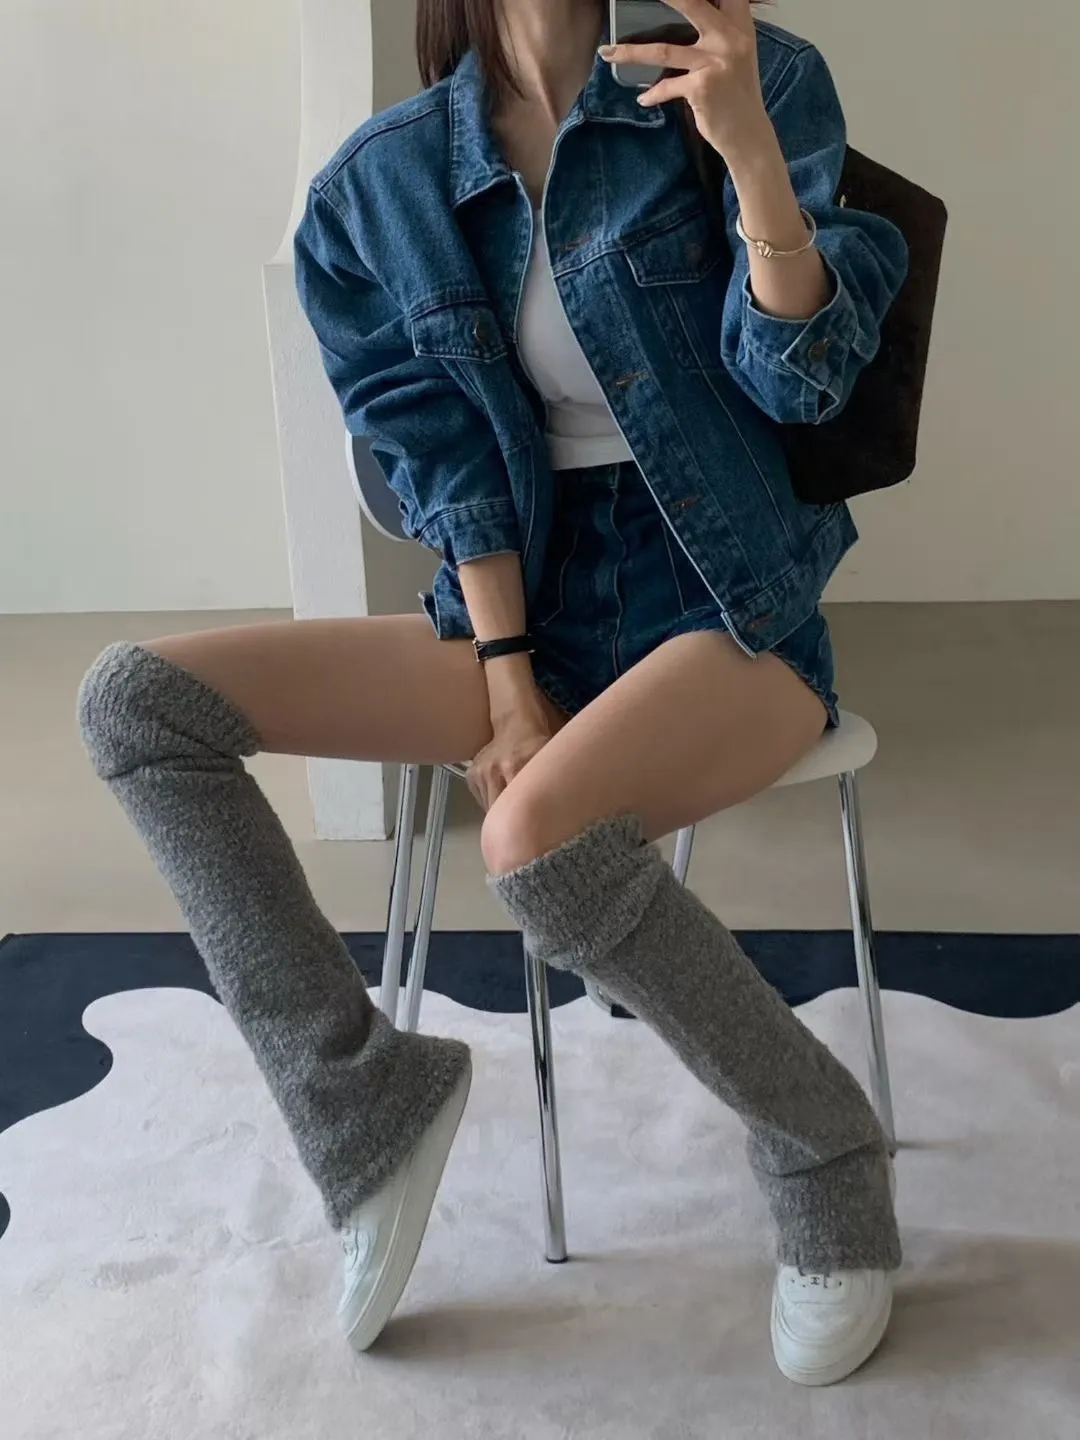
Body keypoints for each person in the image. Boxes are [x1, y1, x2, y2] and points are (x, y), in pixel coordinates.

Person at [78, 0, 907, 1387]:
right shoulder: (381, 186)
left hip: (730, 596)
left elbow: (807, 388)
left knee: (534, 842)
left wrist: (751, 153)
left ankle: (827, 1156)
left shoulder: (750, 80)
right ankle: (367, 1107)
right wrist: (510, 679)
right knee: (137, 705)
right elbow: (446, 462)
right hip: (521, 603)